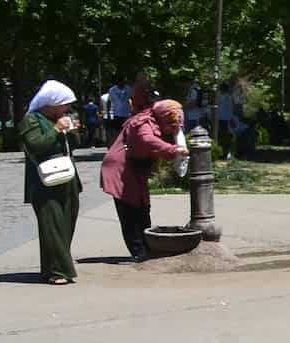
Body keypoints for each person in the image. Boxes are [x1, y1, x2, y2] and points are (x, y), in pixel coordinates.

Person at [101, 100, 187, 262]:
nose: (174, 129)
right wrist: (173, 149)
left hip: (136, 169)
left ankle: (147, 249)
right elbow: (147, 140)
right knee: (130, 211)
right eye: (172, 125)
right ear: (164, 118)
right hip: (121, 169)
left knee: (143, 208)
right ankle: (139, 252)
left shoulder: (158, 121)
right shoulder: (143, 123)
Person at [19, 81, 82, 285]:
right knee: (51, 226)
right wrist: (56, 129)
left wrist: (73, 133)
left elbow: (74, 145)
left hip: (67, 177)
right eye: (64, 104)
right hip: (45, 182)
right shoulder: (32, 120)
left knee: (65, 224)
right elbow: (36, 145)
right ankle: (60, 271)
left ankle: (51, 268)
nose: (67, 109)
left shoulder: (60, 118)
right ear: (51, 103)